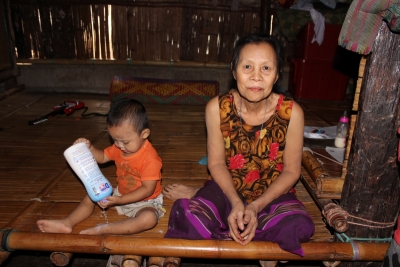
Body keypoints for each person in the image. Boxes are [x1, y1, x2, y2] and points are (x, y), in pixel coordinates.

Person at [163, 33, 315, 260]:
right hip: (226, 191)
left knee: (300, 225)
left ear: (276, 76)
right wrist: (235, 202)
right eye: (247, 67)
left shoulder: (291, 113)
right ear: (234, 72)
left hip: (271, 194)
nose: (256, 77)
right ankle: (260, 233)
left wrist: (254, 207)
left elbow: (292, 172)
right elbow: (215, 163)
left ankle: (241, 221)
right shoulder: (218, 108)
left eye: (266, 68)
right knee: (191, 217)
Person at [37, 98, 165, 236]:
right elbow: (102, 157)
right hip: (121, 194)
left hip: (145, 201)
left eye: (125, 142)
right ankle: (67, 223)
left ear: (144, 134)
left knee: (149, 219)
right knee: (92, 195)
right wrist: (89, 148)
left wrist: (120, 201)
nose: (120, 145)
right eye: (115, 140)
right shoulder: (120, 147)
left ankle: (105, 229)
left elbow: (147, 190)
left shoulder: (150, 159)